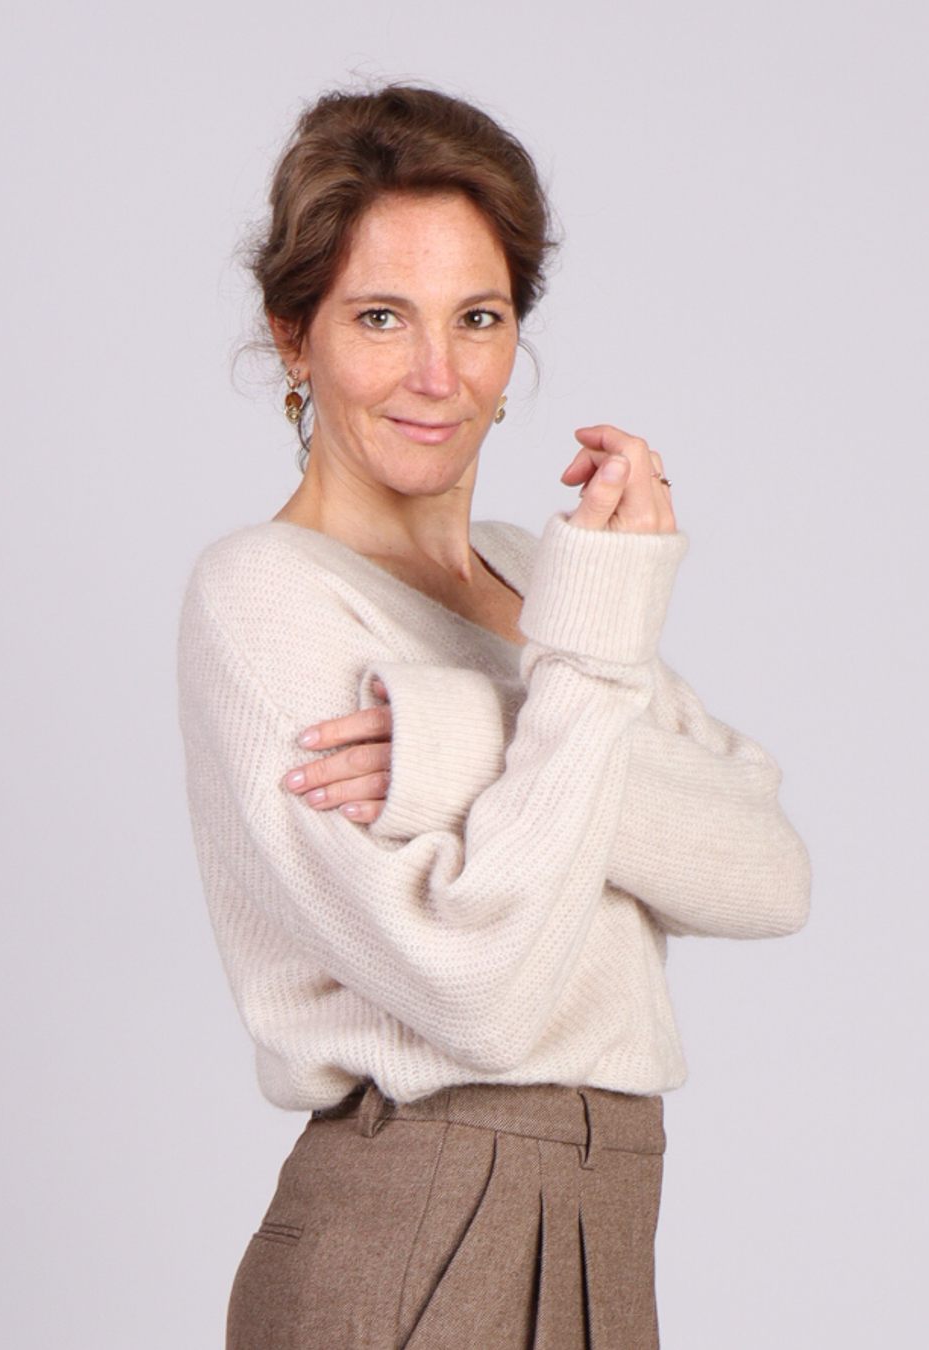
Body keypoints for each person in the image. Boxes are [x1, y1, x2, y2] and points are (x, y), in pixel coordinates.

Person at [176, 82, 812, 1350]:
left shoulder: (541, 580)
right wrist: (585, 659)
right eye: (379, 317)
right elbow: (482, 997)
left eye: (478, 317)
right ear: (293, 337)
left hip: (607, 1215)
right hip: (414, 1221)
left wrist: (462, 736)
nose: (438, 374)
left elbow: (765, 871)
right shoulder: (265, 597)